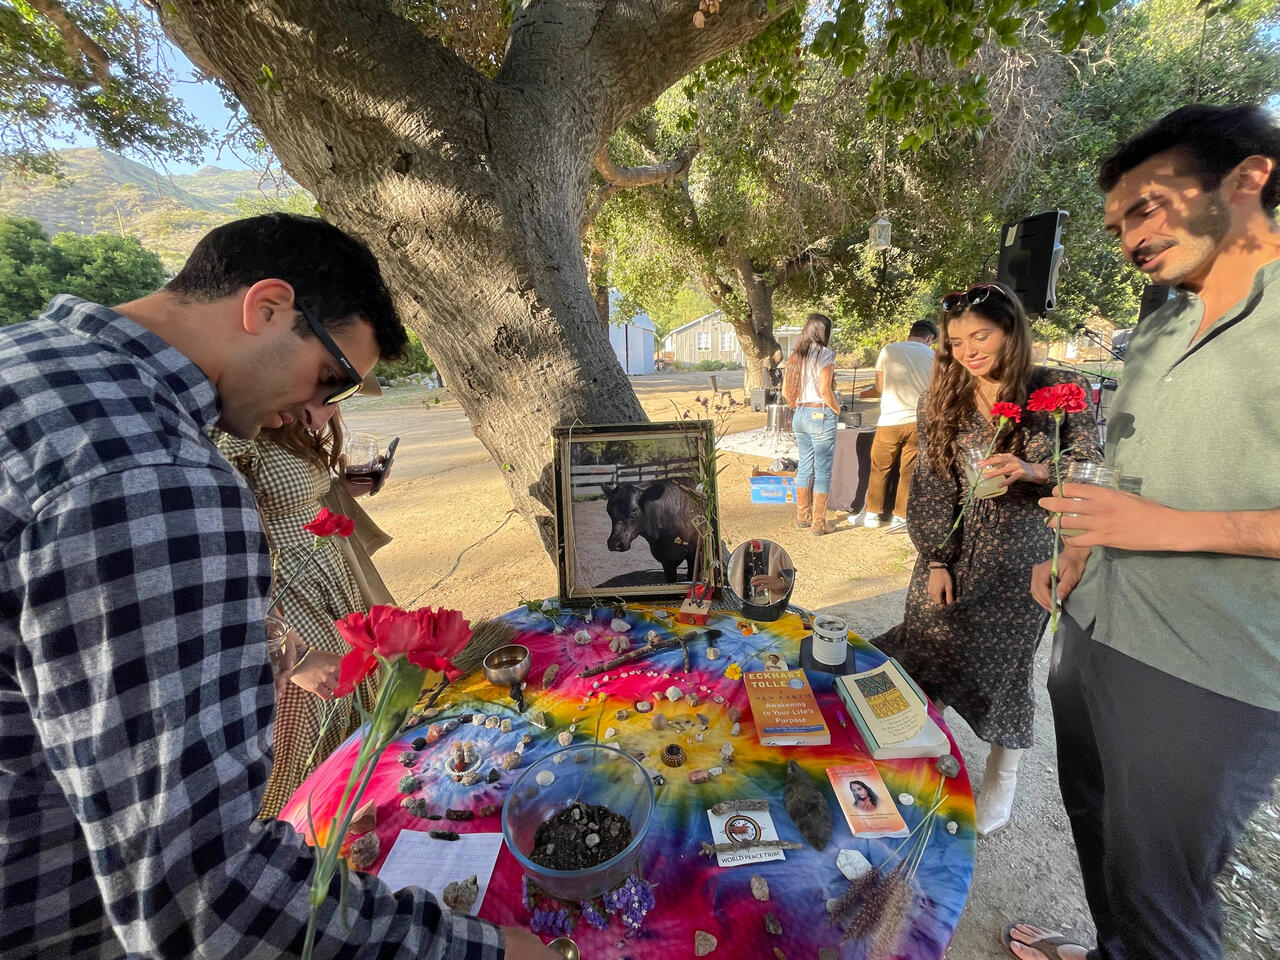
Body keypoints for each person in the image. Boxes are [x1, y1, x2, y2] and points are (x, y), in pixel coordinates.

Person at [0, 213, 556, 960]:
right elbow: (204, 898)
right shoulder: (151, 475)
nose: (315, 409)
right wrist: (488, 952)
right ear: (266, 307)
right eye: (330, 378)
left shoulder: (28, 362)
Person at [1010, 105, 1280, 960]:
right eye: (1119, 220)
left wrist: (1172, 528)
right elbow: (1124, 463)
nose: (1130, 236)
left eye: (1148, 207)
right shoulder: (1160, 318)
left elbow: (1163, 512)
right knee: (1102, 837)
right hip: (1093, 628)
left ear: (1249, 180)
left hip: (1211, 670)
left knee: (1165, 902)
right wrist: (1080, 549)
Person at [870, 281, 1101, 839]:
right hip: (952, 553)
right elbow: (931, 481)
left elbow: (1090, 463)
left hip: (1020, 557)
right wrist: (936, 558)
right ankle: (920, 759)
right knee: (923, 654)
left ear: (1011, 331)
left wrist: (1033, 470)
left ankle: (1000, 782)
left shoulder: (1057, 388)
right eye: (956, 340)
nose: (969, 350)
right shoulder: (943, 397)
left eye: (982, 335)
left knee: (1003, 672)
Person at [216, 415, 396, 818]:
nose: (325, 406)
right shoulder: (235, 435)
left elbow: (298, 495)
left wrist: (344, 490)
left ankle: (353, 810)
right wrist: (289, 655)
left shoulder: (288, 423)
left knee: (353, 691)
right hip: (285, 588)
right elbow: (232, 541)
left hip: (326, 570)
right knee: (309, 714)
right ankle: (294, 824)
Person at [853, 320, 937, 530]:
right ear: (929, 338)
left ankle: (872, 513)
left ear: (911, 333)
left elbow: (880, 386)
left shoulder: (889, 350)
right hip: (918, 420)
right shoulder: (933, 356)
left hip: (890, 418)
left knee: (879, 467)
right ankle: (901, 516)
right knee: (908, 470)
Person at [782, 312, 842, 535]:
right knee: (823, 470)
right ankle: (819, 523)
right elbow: (825, 390)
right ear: (823, 331)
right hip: (820, 413)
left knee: (805, 466)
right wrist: (837, 410)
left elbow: (785, 391)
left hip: (800, 413)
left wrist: (796, 406)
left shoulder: (795, 355)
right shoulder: (825, 354)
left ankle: (802, 515)